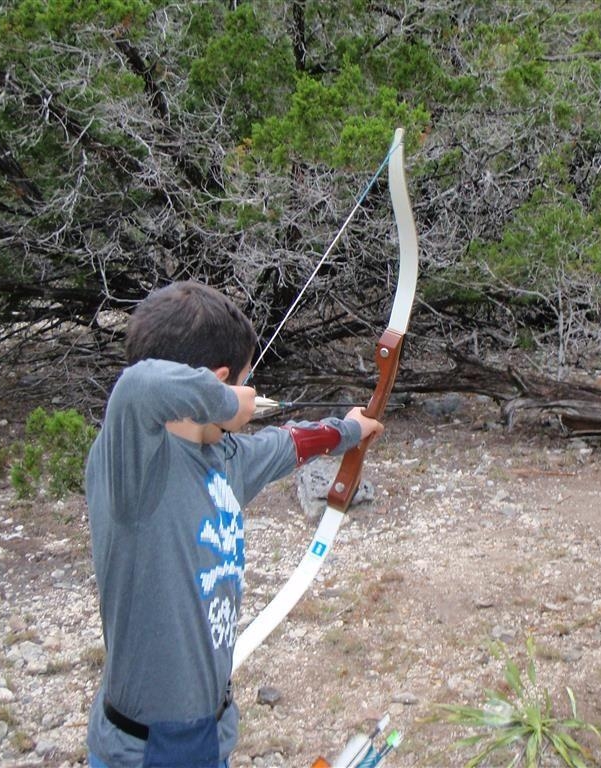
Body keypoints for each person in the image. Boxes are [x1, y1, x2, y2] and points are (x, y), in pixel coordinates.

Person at [84, 281, 383, 768]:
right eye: (246, 381)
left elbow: (289, 443)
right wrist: (225, 402)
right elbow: (139, 385)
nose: (251, 393)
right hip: (144, 750)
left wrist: (350, 430)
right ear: (221, 382)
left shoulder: (226, 456)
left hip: (210, 733)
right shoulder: (134, 464)